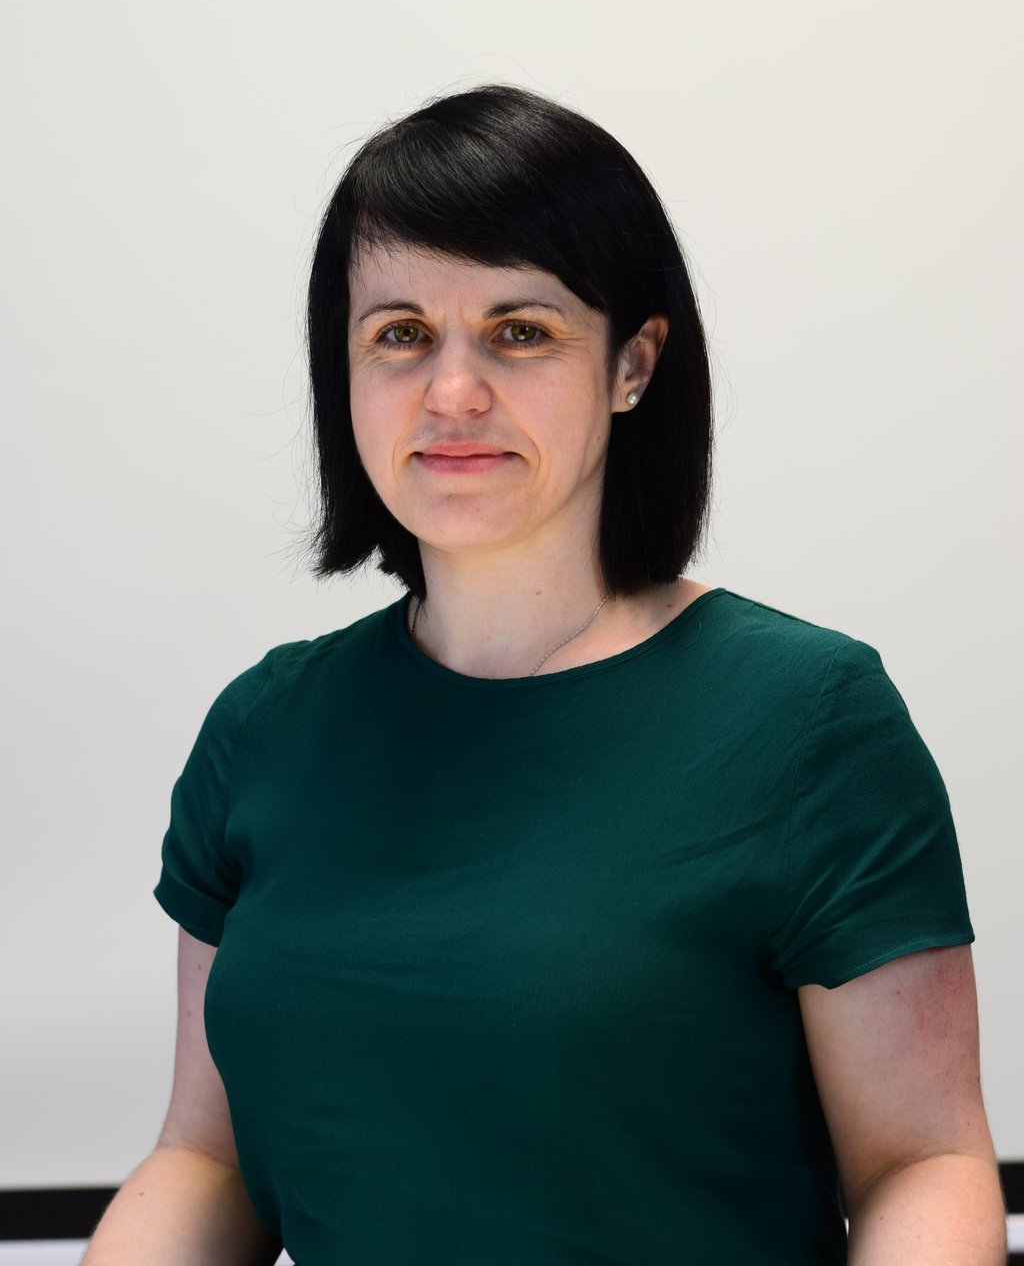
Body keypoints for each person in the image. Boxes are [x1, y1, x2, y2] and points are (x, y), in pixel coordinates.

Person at [84, 84, 1005, 1265]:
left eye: (519, 331)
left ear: (633, 363)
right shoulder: (264, 729)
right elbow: (207, 1158)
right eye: (399, 334)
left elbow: (919, 1162)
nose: (451, 392)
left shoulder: (808, 721)